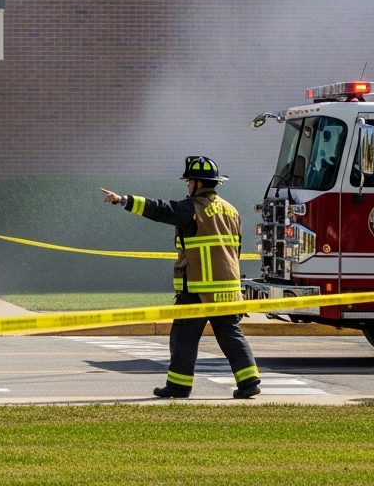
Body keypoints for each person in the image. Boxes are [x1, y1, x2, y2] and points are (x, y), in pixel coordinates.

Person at [101, 156, 261, 400]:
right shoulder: (231, 210)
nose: (187, 186)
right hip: (229, 289)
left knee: (184, 337)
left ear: (197, 183)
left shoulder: (193, 208)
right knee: (230, 334)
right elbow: (235, 250)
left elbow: (161, 209)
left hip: (197, 289)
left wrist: (124, 200)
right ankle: (249, 381)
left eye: (189, 182)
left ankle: (178, 386)